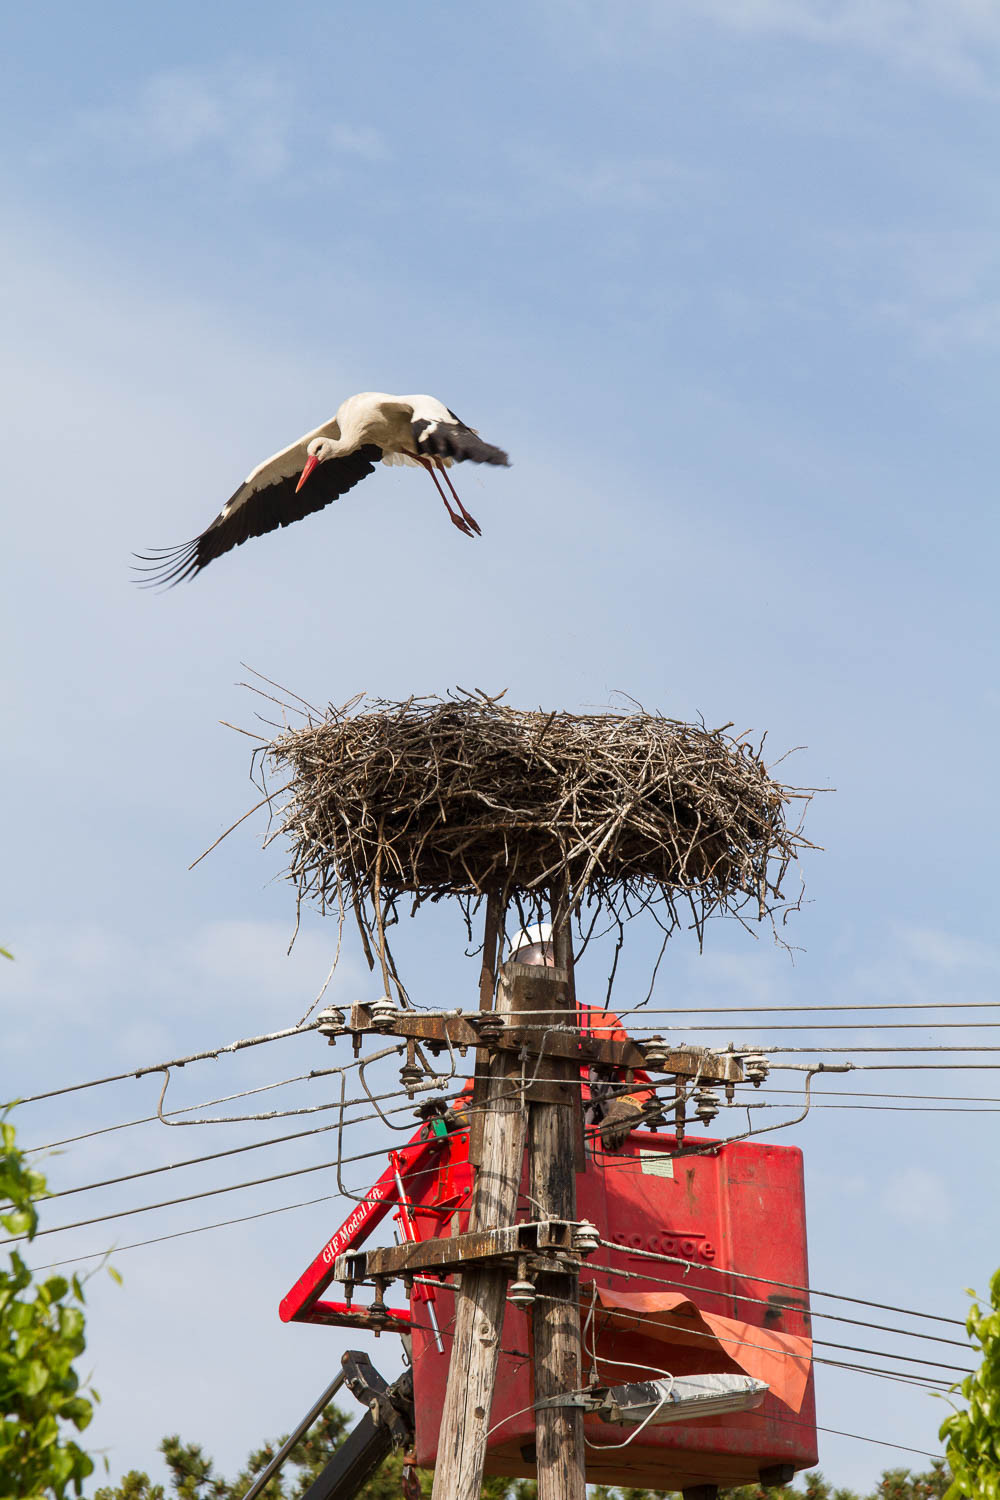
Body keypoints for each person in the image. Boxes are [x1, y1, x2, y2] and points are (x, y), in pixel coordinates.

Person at [506, 922, 654, 1152]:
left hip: (592, 1141)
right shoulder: (505, 1029)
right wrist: (454, 1119)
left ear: (564, 964)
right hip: (516, 1140)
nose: (539, 965)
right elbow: (474, 1094)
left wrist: (624, 1113)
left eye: (548, 956)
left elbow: (639, 1085)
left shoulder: (597, 1021)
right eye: (529, 959)